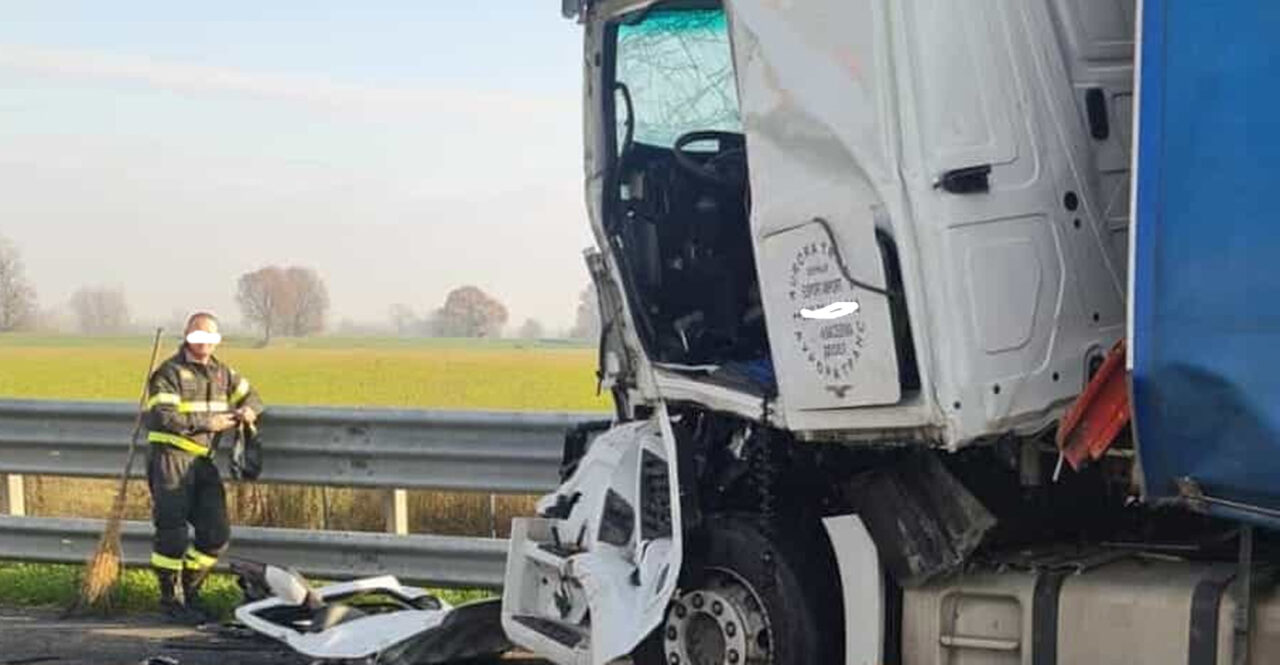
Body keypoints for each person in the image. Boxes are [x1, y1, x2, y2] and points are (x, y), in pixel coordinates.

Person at [145, 312, 263, 622]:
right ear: (187, 335)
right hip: (170, 458)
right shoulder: (169, 373)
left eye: (211, 337)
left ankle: (190, 589)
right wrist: (206, 423)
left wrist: (250, 409)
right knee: (171, 533)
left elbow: (253, 395)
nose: (205, 343)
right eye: (200, 336)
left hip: (203, 462)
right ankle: (171, 600)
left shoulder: (222, 373)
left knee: (216, 533)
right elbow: (162, 417)